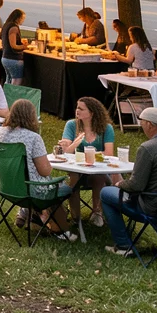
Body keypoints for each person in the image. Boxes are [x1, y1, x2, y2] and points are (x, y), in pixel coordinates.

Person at [0, 99, 75, 239]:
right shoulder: (33, 138)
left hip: (3, 187)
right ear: (31, 117)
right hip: (29, 190)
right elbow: (45, 171)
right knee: (61, 187)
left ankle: (33, 216)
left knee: (42, 186)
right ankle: (62, 232)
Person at [102, 107, 157, 256]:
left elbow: (136, 186)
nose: (141, 126)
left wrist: (119, 184)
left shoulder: (148, 148)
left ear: (149, 124)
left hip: (154, 208)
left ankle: (123, 245)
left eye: (141, 122)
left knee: (106, 193)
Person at [59, 96, 116, 227]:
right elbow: (66, 151)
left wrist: (88, 155)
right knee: (73, 178)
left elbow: (109, 153)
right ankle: (75, 216)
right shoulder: (71, 125)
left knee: (99, 177)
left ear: (92, 113)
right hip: (76, 169)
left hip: (97, 170)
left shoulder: (106, 128)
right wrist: (75, 143)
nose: (77, 111)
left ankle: (97, 213)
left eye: (81, 109)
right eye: (77, 108)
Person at [0, 8, 28, 85]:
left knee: (8, 79)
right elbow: (13, 46)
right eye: (22, 18)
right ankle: (13, 96)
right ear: (18, 18)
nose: (23, 20)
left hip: (5, 58)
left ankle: (5, 96)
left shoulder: (6, 25)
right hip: (13, 59)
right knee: (16, 80)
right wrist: (24, 47)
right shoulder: (14, 28)